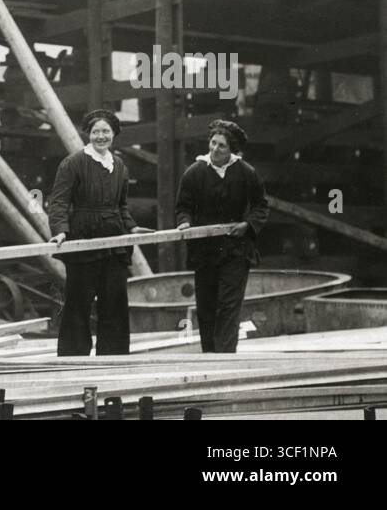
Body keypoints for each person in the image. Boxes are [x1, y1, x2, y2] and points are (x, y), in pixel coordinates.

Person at [46, 110, 154, 356]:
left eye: (106, 131)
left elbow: (121, 205)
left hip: (114, 241)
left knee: (114, 302)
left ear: (114, 134)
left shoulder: (120, 166)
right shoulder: (73, 163)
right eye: (96, 132)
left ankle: (113, 356)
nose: (100, 136)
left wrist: (133, 227)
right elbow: (59, 202)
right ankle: (73, 359)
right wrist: (61, 231)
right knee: (78, 302)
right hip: (83, 237)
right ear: (88, 134)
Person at [175, 120, 268, 353]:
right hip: (204, 250)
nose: (215, 150)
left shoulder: (246, 173)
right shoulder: (194, 173)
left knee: (228, 305)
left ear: (232, 150)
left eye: (222, 146)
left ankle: (225, 356)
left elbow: (261, 206)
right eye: (213, 143)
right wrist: (184, 223)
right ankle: (209, 355)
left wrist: (247, 224)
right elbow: (182, 206)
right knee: (206, 305)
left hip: (235, 248)